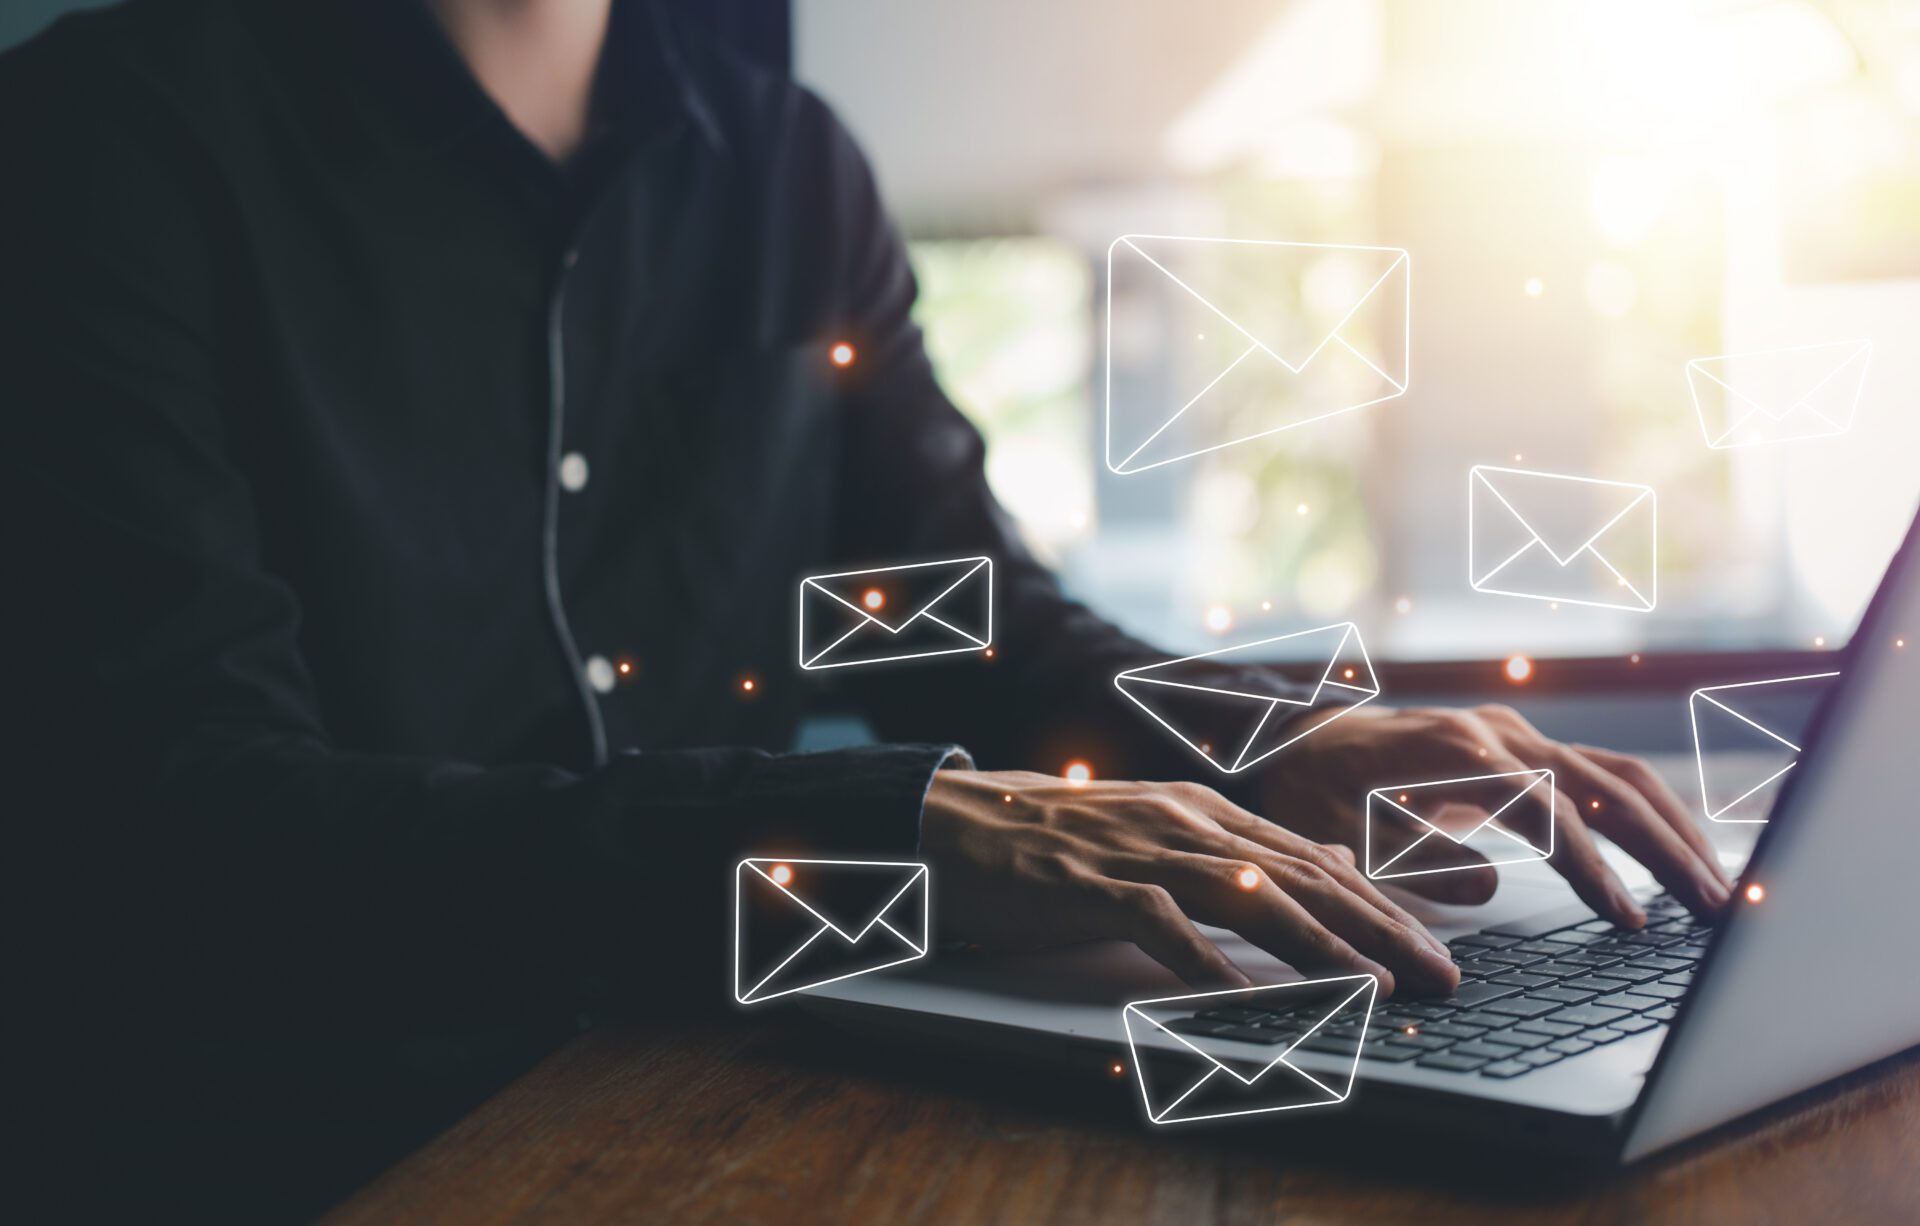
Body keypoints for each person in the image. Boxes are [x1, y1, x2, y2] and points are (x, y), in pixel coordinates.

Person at [0, 0, 1731, 1216]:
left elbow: (963, 625)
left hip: (720, 1091)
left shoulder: (785, 169)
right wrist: (879, 835)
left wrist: (1280, 742)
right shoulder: (104, 149)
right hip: (295, 1145)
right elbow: (204, 829)